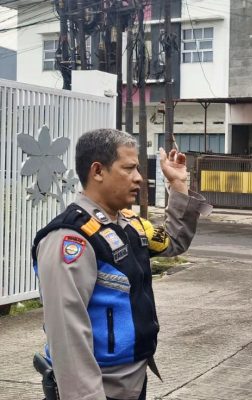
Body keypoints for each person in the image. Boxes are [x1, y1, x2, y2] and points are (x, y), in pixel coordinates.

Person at [32, 129, 212, 400]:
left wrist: (178, 185)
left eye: (138, 168)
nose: (139, 177)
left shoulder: (129, 225)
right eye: (129, 168)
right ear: (98, 171)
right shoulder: (70, 239)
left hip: (134, 379)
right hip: (100, 387)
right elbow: (67, 337)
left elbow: (173, 242)